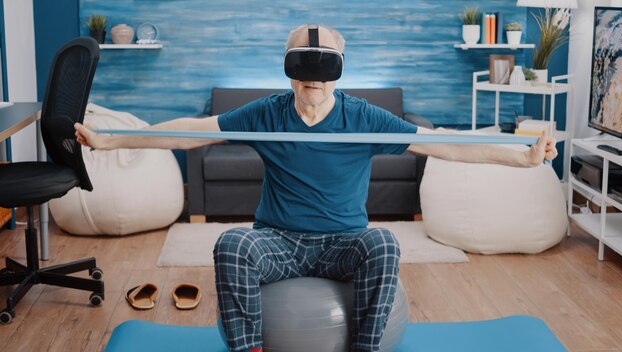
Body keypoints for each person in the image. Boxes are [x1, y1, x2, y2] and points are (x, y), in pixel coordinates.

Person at [75, 24, 557, 352]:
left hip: (344, 243)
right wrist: (109, 137)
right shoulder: (266, 113)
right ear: (289, 71)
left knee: (384, 242)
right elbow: (190, 131)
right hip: (278, 242)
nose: (313, 83)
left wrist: (522, 157)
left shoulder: (363, 118)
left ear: (339, 70)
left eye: (323, 72)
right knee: (231, 243)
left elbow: (443, 145)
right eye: (303, 72)